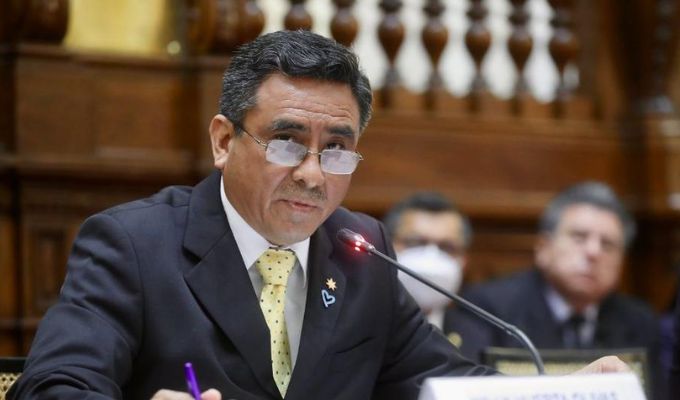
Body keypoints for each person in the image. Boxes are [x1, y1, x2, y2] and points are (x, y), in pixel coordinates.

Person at [8, 31, 627, 400]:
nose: (312, 174)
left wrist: (570, 391)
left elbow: (444, 384)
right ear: (223, 141)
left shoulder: (361, 249)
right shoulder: (133, 244)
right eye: (285, 142)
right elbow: (54, 385)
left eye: (336, 149)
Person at [456, 182, 661, 394]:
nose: (593, 252)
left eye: (607, 244)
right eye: (579, 237)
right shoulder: (489, 308)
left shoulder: (640, 322)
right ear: (543, 248)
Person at [383, 192, 477, 349]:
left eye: (447, 247)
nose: (431, 256)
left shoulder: (478, 335)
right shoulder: (357, 324)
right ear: (385, 246)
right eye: (415, 243)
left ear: (464, 260)